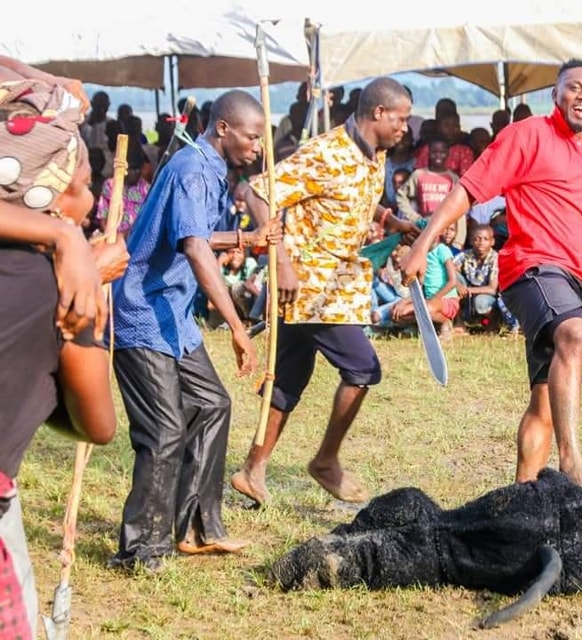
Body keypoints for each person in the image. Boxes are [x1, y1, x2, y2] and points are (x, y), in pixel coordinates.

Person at [400, 59, 582, 502]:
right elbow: (469, 188)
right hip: (534, 268)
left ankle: (523, 499)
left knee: (544, 399)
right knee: (573, 333)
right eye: (574, 88)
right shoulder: (528, 135)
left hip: (576, 277)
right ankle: (572, 459)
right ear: (554, 95)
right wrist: (424, 244)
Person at [109, 90, 280, 571]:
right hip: (143, 314)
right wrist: (238, 325)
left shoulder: (212, 171)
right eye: (251, 137)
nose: (257, 148)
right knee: (164, 430)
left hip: (175, 319)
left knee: (212, 405)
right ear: (223, 128)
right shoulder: (190, 168)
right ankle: (141, 548)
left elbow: (199, 236)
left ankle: (196, 527)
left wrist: (247, 238)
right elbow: (195, 249)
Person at [230, 77, 418, 508]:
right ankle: (326, 460)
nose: (406, 127)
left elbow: (352, 197)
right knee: (363, 368)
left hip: (338, 284)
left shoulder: (377, 155)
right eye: (402, 119)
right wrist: (280, 261)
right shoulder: (325, 152)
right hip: (312, 287)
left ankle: (251, 471)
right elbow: (258, 191)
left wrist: (391, 221)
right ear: (378, 114)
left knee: (287, 381)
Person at [0, 69, 122, 639]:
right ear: (50, 188)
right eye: (86, 179)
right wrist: (86, 291)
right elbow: (96, 425)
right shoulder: (59, 294)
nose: (94, 197)